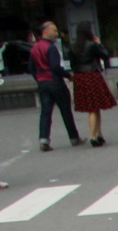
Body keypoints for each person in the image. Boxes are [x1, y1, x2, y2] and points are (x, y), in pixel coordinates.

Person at [29, 22, 81, 152]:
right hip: (55, 82)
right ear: (46, 32)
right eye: (54, 31)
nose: (56, 33)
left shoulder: (34, 48)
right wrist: (68, 75)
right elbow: (55, 67)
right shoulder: (51, 48)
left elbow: (31, 67)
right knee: (65, 110)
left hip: (42, 83)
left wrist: (38, 79)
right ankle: (74, 137)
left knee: (46, 112)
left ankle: (44, 139)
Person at [69, 22, 116, 148]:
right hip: (92, 75)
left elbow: (72, 64)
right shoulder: (92, 45)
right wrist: (99, 44)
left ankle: (99, 133)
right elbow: (105, 55)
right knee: (94, 108)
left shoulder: (73, 46)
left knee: (94, 108)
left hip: (80, 76)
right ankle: (93, 136)